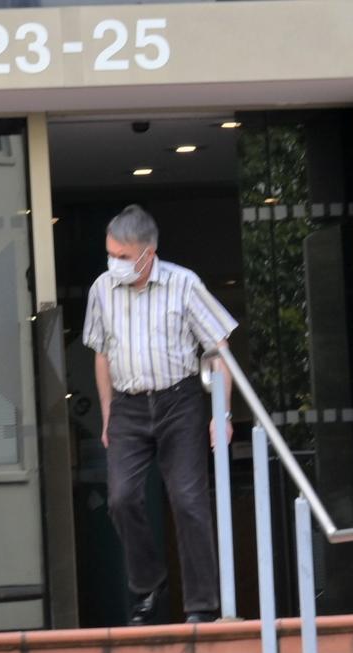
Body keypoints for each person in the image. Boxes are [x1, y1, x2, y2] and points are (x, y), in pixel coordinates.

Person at [82, 204, 237, 625]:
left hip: (178, 401)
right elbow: (101, 354)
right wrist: (108, 413)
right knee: (121, 497)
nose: (114, 263)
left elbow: (219, 351)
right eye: (110, 254)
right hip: (128, 407)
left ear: (148, 253)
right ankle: (148, 585)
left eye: (124, 256)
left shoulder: (184, 285)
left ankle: (202, 606)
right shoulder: (101, 290)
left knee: (187, 501)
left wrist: (220, 414)